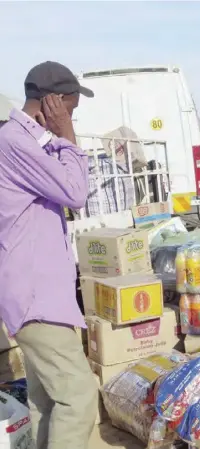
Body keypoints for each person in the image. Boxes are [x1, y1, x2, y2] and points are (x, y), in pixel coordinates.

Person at [0, 61, 98, 449]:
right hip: (35, 299)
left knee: (46, 401)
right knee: (78, 398)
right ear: (52, 101)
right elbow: (75, 193)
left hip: (41, 298)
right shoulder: (15, 141)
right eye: (69, 108)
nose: (69, 117)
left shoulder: (26, 142)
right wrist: (68, 135)